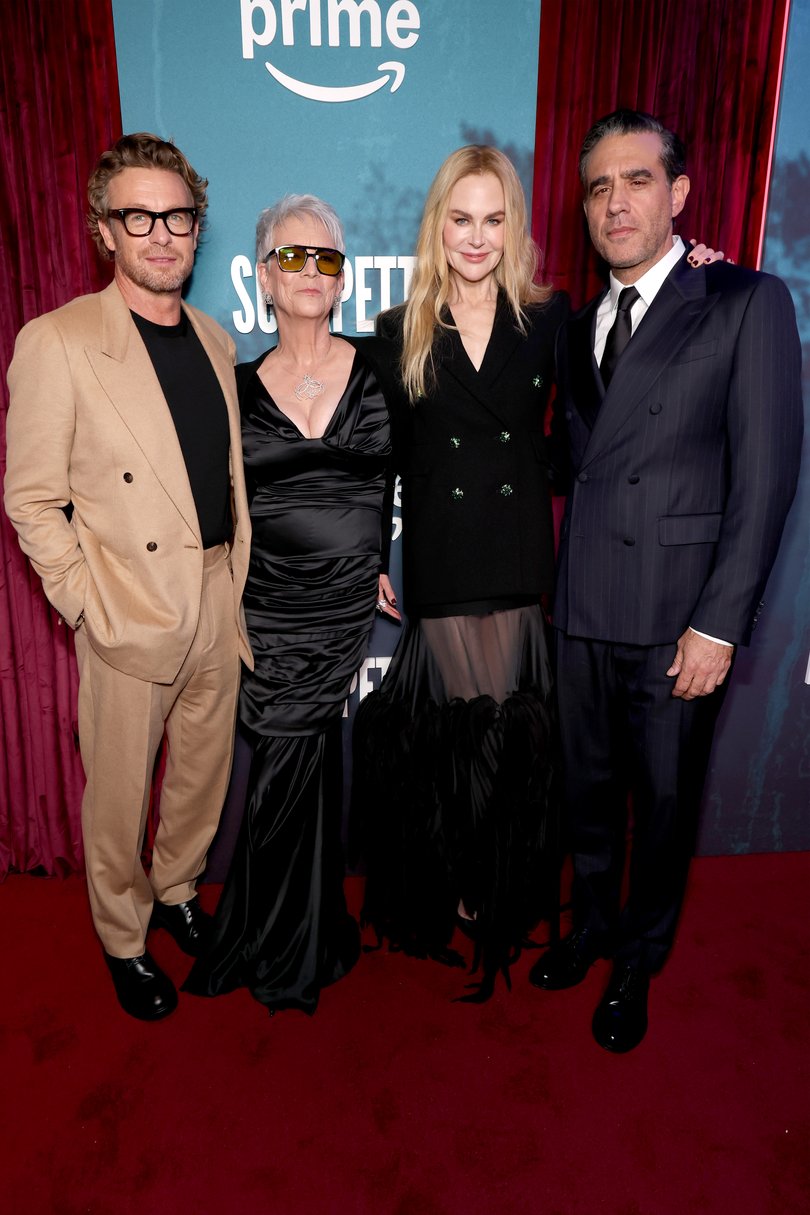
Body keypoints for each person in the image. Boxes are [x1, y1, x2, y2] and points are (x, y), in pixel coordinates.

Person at [531, 110, 803, 1052]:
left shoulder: (743, 301)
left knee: (664, 805)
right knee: (587, 794)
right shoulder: (574, 329)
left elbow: (766, 479)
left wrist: (719, 625)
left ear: (678, 194)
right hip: (582, 608)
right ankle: (593, 925)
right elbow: (573, 461)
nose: (616, 202)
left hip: (677, 619)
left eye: (637, 180)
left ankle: (638, 959)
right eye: (599, 187)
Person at [4, 134, 252, 1021]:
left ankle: (177, 889)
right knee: (117, 795)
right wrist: (85, 605)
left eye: (177, 216)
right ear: (104, 229)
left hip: (217, 591)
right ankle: (122, 935)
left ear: (197, 227)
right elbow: (31, 499)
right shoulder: (59, 341)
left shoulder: (216, 339)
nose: (161, 234)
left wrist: (232, 584)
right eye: (137, 216)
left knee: (200, 774)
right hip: (127, 605)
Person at [352, 146, 568, 1001]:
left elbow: (590, 415)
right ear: (437, 225)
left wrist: (692, 267)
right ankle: (471, 882)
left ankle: (507, 882)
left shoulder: (549, 318)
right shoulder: (397, 330)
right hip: (444, 555)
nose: (476, 238)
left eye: (493, 219)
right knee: (465, 731)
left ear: (513, 227)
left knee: (513, 732)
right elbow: (382, 458)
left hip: (514, 551)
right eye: (461, 218)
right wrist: (375, 551)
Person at [184, 196, 392, 1016]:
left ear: (342, 280)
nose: (310, 270)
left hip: (342, 601)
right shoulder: (233, 385)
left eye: (326, 258)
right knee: (285, 764)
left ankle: (279, 936)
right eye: (292, 256)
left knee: (299, 762)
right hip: (266, 604)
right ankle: (293, 933)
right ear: (264, 277)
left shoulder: (381, 367)